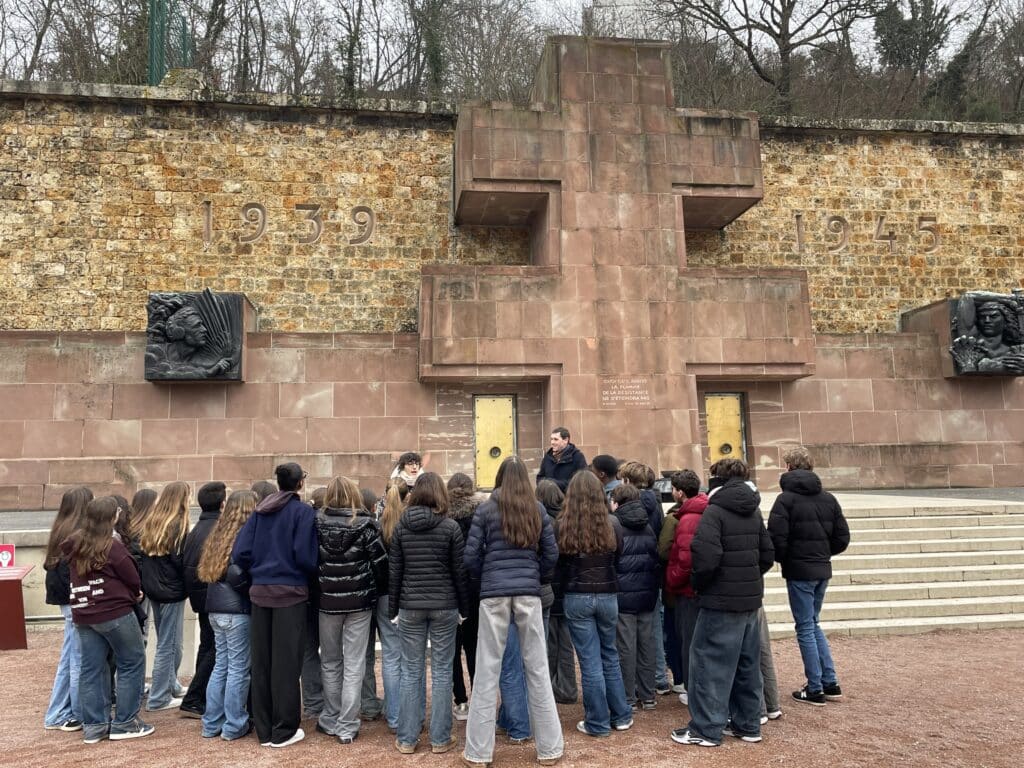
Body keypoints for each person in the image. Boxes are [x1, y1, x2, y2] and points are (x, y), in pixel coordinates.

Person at [462, 457, 563, 767]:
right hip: (529, 594)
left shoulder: (486, 509)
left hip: (493, 594)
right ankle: (550, 748)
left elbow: (471, 557)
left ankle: (479, 752)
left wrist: (487, 578)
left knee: (486, 671)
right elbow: (551, 553)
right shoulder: (538, 509)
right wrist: (538, 577)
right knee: (537, 670)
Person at [671, 458, 774, 748]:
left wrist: (703, 585)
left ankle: (705, 728)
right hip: (749, 599)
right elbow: (767, 554)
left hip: (720, 599)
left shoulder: (715, 512)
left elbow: (706, 557)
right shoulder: (752, 511)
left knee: (707, 662)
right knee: (746, 663)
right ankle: (747, 724)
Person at [232, 462, 319, 748]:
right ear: (300, 484)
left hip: (260, 592)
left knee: (262, 662)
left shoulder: (259, 513)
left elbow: (241, 552)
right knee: (286, 663)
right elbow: (305, 556)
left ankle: (265, 728)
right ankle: (284, 729)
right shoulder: (303, 512)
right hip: (290, 593)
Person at [387, 472, 468, 754]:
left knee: (411, 670)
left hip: (410, 605)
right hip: (445, 605)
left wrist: (393, 608)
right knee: (444, 670)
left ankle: (408, 738)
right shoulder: (450, 527)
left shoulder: (401, 527)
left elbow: (394, 571)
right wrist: (464, 607)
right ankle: (440, 738)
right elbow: (459, 572)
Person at [767, 446, 850, 707]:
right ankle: (829, 681)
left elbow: (776, 539)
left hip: (800, 570)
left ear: (789, 467)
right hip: (821, 567)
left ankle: (815, 687)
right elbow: (841, 538)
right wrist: (821, 554)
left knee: (805, 626)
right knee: (813, 623)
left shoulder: (786, 500)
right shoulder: (828, 498)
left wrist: (788, 559)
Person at [66, 496, 152, 743]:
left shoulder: (74, 542)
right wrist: (135, 592)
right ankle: (125, 722)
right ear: (112, 517)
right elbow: (131, 574)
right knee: (132, 661)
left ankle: (94, 725)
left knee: (91, 668)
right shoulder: (112, 546)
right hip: (114, 611)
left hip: (83, 613)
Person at [557, 471, 632, 737]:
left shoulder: (564, 524)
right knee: (609, 655)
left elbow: (560, 565)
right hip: (607, 595)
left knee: (590, 661)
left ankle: (598, 721)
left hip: (577, 595)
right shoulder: (612, 523)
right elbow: (619, 558)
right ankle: (621, 715)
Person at [315, 476, 388, 744]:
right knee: (355, 663)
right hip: (359, 603)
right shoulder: (366, 525)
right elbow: (381, 565)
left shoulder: (316, 523)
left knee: (331, 661)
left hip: (327, 602)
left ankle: (332, 717)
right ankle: (347, 724)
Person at [198, 489, 257, 741]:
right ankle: (234, 724)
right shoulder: (243, 536)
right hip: (237, 609)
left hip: (216, 608)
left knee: (221, 665)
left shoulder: (218, 534)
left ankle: (212, 722)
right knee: (238, 669)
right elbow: (238, 574)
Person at [43, 486, 93, 732]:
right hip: (75, 601)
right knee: (78, 659)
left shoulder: (60, 528)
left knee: (69, 658)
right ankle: (77, 713)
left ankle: (57, 712)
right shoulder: (76, 533)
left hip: (65, 600)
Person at [139, 480, 191, 712]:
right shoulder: (177, 525)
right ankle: (159, 696)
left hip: (155, 589)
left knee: (167, 641)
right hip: (171, 590)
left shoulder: (153, 521)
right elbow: (180, 561)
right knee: (169, 644)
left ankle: (170, 684)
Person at [609, 484, 659, 712]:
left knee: (626, 647)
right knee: (646, 645)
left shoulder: (616, 525)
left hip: (623, 594)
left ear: (617, 503)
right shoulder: (648, 526)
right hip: (647, 592)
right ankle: (648, 695)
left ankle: (628, 696)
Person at [180, 481, 227, 718]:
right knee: (214, 650)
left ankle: (200, 695)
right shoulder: (216, 531)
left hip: (201, 597)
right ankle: (194, 697)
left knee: (207, 647)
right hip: (212, 598)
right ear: (222, 504)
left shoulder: (197, 529)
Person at [663, 469, 708, 704]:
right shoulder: (704, 510)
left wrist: (672, 579)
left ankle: (695, 694)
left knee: (690, 643)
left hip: (688, 591)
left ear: (679, 492)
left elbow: (686, 560)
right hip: (701, 588)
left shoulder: (688, 518)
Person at [447, 472, 485, 721]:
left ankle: (460, 699)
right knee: (474, 646)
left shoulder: (443, 516)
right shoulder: (481, 513)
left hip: (449, 588)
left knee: (452, 649)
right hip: (475, 586)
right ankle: (479, 698)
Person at [537, 480, 577, 705]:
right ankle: (568, 688)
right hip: (568, 587)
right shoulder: (566, 521)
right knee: (565, 643)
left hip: (551, 588)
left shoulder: (547, 523)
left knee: (550, 643)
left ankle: (550, 688)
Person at [376, 477, 410, 732]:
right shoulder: (409, 524)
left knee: (390, 655)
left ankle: (395, 714)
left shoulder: (379, 525)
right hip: (406, 595)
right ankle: (405, 714)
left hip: (384, 595)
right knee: (409, 657)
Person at [536, 428, 587, 492]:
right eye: (551, 439)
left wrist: (554, 483)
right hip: (548, 499)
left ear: (565, 440)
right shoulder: (547, 456)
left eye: (556, 439)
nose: (552, 442)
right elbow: (540, 477)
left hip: (569, 499)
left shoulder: (577, 457)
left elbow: (581, 481)